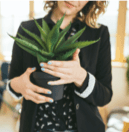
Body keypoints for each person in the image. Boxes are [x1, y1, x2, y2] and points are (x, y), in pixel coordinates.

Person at [6, 0, 112, 132]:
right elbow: (12, 82)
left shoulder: (99, 33)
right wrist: (18, 85)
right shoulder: (28, 29)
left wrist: (80, 76)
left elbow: (105, 96)